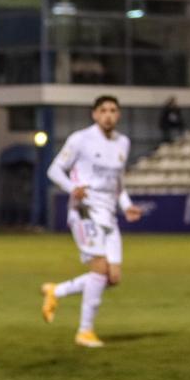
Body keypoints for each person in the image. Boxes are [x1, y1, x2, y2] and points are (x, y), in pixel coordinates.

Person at [40, 95, 143, 348]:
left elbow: (118, 182)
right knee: (99, 269)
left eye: (113, 110)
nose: (109, 114)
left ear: (118, 115)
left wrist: (127, 205)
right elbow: (53, 169)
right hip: (85, 212)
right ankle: (85, 331)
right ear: (95, 114)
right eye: (104, 110)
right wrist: (72, 188)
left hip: (109, 216)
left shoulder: (123, 143)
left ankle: (57, 291)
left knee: (113, 277)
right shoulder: (81, 139)